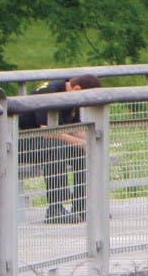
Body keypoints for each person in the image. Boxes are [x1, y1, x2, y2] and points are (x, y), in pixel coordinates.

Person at [17, 74, 100, 224]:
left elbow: (74, 128)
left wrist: (94, 142)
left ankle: (82, 206)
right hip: (20, 142)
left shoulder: (71, 95)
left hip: (46, 142)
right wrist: (81, 142)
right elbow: (48, 131)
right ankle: (55, 209)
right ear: (77, 89)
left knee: (83, 151)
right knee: (57, 149)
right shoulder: (51, 93)